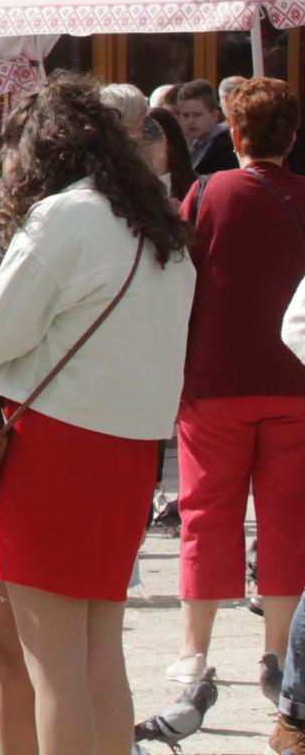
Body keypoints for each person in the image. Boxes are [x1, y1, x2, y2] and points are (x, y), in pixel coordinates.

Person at [0, 74, 195, 755]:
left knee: (55, 667)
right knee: (91, 653)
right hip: (129, 452)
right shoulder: (159, 224)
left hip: (56, 448)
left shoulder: (65, 217)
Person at [170, 74, 305, 705]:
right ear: (293, 136)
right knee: (287, 519)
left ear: (236, 132)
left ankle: (194, 652)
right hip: (294, 379)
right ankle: (275, 652)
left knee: (205, 513)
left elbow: (175, 274)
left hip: (213, 379)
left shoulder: (207, 192)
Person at [175, 77, 233, 177]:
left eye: (197, 114)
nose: (190, 121)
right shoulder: (188, 145)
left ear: (214, 115)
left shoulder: (228, 149)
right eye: (185, 115)